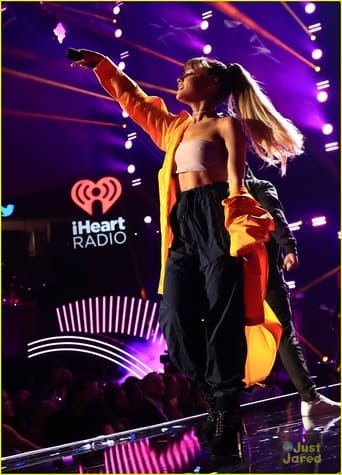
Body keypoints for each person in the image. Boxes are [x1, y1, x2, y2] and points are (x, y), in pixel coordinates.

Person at [69, 50, 304, 458]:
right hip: (183, 227)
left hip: (218, 219)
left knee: (223, 321)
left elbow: (236, 184)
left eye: (188, 73)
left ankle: (226, 413)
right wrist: (104, 66)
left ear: (211, 85)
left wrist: (240, 234)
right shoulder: (174, 129)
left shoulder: (227, 124)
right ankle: (215, 393)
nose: (179, 78)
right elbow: (136, 100)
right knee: (175, 320)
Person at [244, 165, 340, 418]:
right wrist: (289, 248)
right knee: (284, 333)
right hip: (260, 270)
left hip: (229, 269)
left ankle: (222, 409)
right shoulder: (258, 187)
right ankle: (309, 397)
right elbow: (274, 217)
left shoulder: (213, 191)